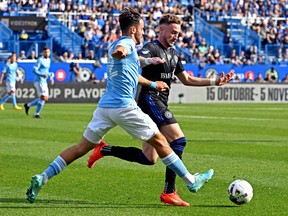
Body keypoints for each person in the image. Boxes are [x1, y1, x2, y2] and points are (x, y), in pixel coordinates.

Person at [26, 7, 214, 204]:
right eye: (141, 28)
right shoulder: (125, 44)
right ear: (133, 29)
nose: (143, 31)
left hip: (104, 108)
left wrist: (150, 74)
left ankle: (43, 177)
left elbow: (133, 66)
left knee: (80, 148)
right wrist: (121, 53)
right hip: (123, 107)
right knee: (161, 142)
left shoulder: (118, 45)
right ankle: (191, 181)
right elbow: (122, 52)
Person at [87, 13, 234, 206]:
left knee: (149, 159)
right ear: (161, 29)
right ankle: (170, 191)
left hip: (159, 103)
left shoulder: (174, 53)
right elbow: (136, 60)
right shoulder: (151, 47)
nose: (175, 36)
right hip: (149, 99)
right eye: (172, 32)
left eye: (178, 33)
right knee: (178, 140)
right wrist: (145, 61)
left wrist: (215, 81)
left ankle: (105, 149)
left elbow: (187, 80)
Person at [24, 46, 54, 119]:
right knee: (43, 97)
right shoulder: (40, 60)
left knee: (45, 98)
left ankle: (28, 105)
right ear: (43, 53)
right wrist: (41, 74)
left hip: (44, 81)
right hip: (38, 80)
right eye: (45, 52)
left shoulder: (49, 60)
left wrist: (51, 77)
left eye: (48, 52)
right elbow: (34, 70)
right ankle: (36, 114)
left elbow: (46, 71)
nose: (47, 53)